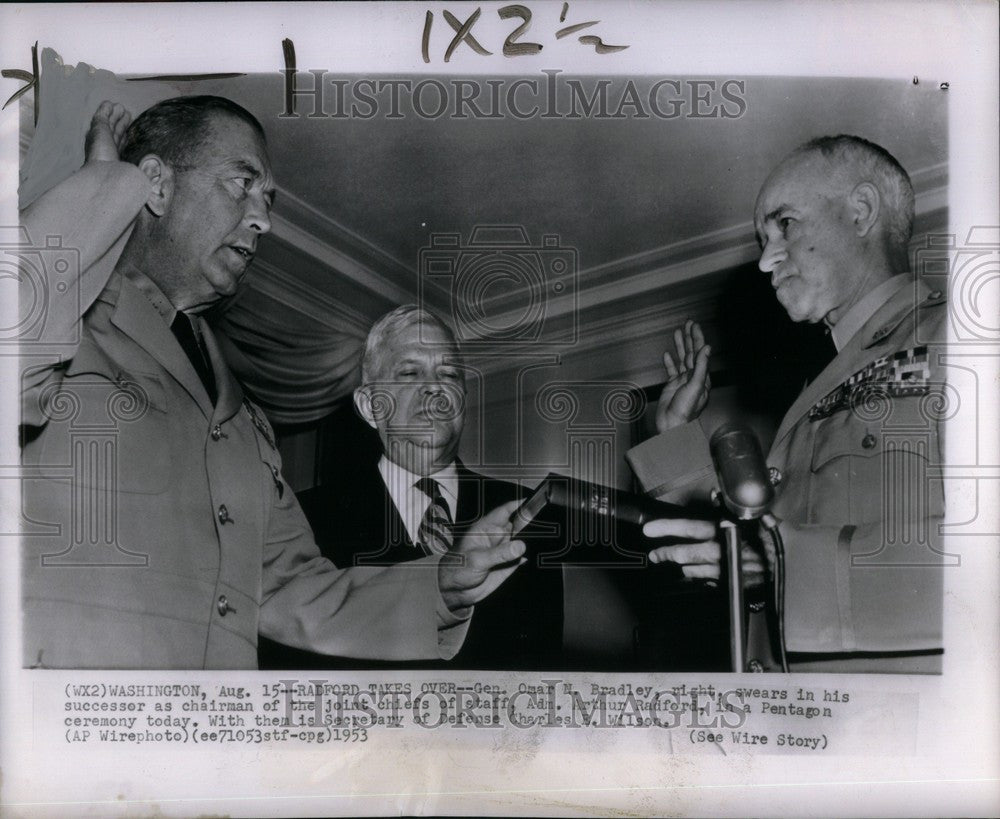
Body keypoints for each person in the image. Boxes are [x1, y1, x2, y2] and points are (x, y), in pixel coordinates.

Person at [18, 98, 525, 669]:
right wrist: (106, 186)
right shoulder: (67, 338)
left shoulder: (245, 421)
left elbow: (290, 590)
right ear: (155, 186)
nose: (264, 220)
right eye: (243, 183)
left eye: (269, 200)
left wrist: (444, 585)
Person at [630, 135, 947, 673]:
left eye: (785, 224)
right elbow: (756, 540)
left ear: (861, 211)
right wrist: (676, 434)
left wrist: (784, 566)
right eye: (761, 239)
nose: (765, 260)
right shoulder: (815, 388)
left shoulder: (958, 333)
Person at [261, 305, 564, 669]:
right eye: (409, 372)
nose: (435, 387)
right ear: (370, 405)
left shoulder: (527, 514)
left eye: (449, 373)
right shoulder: (304, 520)